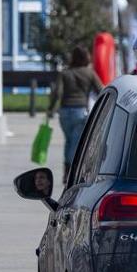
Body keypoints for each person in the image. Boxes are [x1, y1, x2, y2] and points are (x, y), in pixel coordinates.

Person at [47, 46, 105, 176]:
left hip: (64, 112)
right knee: (76, 142)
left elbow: (57, 93)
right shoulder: (89, 73)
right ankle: (71, 173)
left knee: (68, 141)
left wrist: (51, 109)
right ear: (86, 57)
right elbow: (101, 90)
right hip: (80, 111)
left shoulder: (65, 73)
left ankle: (67, 171)